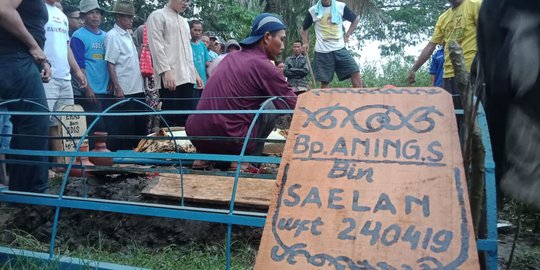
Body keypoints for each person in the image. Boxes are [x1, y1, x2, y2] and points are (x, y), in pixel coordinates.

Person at [186, 13, 297, 171]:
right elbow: (293, 105)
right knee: (270, 108)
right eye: (282, 39)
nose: (283, 46)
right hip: (232, 138)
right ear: (266, 37)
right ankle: (242, 161)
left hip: (196, 133)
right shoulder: (265, 66)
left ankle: (202, 158)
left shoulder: (229, 58)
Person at [0, 0, 51, 192]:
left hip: (20, 59)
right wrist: (33, 46)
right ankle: (33, 195)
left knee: (26, 124)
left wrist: (42, 59)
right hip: (13, 57)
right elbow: (2, 9)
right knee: (34, 122)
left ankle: (21, 192)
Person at [407, 0, 482, 107]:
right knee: (450, 116)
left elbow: (489, 34)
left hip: (470, 73)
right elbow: (431, 46)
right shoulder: (443, 18)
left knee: (472, 115)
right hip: (448, 76)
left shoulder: (475, 5)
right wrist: (414, 69)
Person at [43, 0, 88, 163]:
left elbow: (66, 45)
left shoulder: (61, 15)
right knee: (41, 122)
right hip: (45, 75)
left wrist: (76, 71)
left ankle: (60, 164)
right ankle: (43, 167)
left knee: (62, 123)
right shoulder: (37, 8)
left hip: (64, 77)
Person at [147, 0, 202, 127]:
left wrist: (195, 73)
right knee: (171, 115)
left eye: (188, 1)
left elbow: (187, 51)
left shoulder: (184, 21)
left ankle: (184, 145)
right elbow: (156, 46)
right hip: (170, 75)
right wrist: (165, 70)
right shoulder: (157, 16)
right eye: (184, 0)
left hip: (187, 75)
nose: (186, 3)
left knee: (186, 116)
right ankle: (169, 146)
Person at [104, 0, 146, 150]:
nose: (131, 20)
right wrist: (117, 87)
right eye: (127, 17)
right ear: (118, 17)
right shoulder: (113, 36)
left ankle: (138, 157)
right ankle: (126, 158)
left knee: (139, 125)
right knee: (125, 126)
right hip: (125, 89)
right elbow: (110, 62)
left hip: (137, 87)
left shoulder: (128, 35)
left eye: (131, 17)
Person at [70, 0, 109, 145]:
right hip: (90, 91)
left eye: (98, 12)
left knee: (106, 128)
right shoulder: (78, 36)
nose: (95, 16)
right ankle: (93, 160)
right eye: (91, 13)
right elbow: (79, 66)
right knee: (95, 128)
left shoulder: (106, 36)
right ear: (83, 16)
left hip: (106, 90)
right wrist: (87, 88)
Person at [301, 0, 363, 88]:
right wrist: (305, 43)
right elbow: (303, 29)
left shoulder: (340, 6)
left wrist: (347, 35)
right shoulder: (313, 10)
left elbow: (356, 19)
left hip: (339, 49)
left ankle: (359, 99)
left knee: (355, 71)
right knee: (325, 82)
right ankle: (325, 101)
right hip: (322, 51)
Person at [189, 20, 211, 90]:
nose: (198, 33)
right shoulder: (186, 44)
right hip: (191, 83)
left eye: (200, 30)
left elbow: (208, 63)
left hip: (203, 82)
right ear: (189, 30)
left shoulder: (202, 45)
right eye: (195, 30)